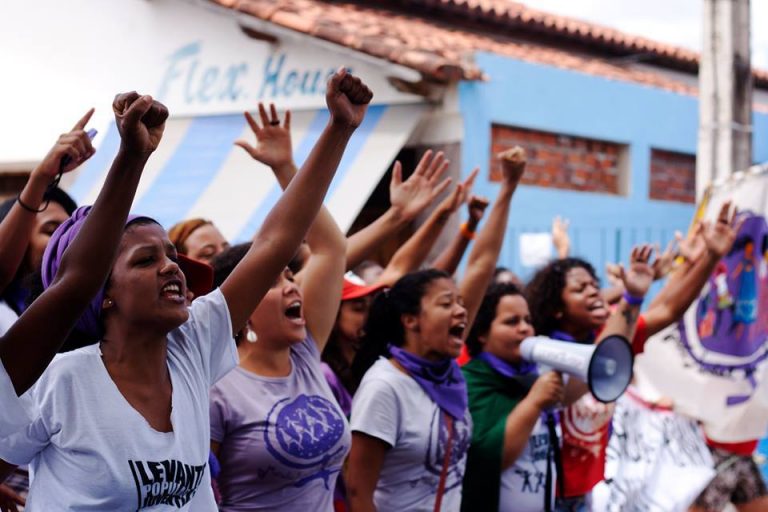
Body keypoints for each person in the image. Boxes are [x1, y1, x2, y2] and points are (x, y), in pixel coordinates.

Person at [0, 69, 372, 510]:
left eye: (172, 256)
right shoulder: (59, 383)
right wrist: (131, 157)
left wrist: (339, 130)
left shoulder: (192, 347)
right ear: (103, 295)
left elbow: (275, 242)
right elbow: (76, 279)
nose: (170, 269)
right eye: (145, 260)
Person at [524, 201, 742, 509]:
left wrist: (712, 256)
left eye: (594, 285)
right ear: (555, 308)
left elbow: (667, 310)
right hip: (539, 496)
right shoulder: (543, 351)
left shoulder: (610, 340)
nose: (593, 292)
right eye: (580, 289)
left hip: (586, 495)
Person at [344, 148, 528, 512]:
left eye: (461, 303)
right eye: (446, 304)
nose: (461, 310)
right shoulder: (385, 387)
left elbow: (481, 264)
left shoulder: (447, 375)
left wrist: (509, 187)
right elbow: (358, 494)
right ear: (410, 319)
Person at [207, 101, 352, 511]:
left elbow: (330, 248)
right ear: (241, 307)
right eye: (274, 282)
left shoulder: (305, 352)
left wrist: (286, 168)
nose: (293, 287)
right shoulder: (216, 386)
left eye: (291, 276)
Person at [460, 245, 654, 512]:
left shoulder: (532, 375)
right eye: (511, 322)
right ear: (481, 333)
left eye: (527, 320)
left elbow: (601, 362)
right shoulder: (472, 382)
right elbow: (489, 459)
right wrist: (533, 404)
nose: (525, 328)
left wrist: (632, 298)